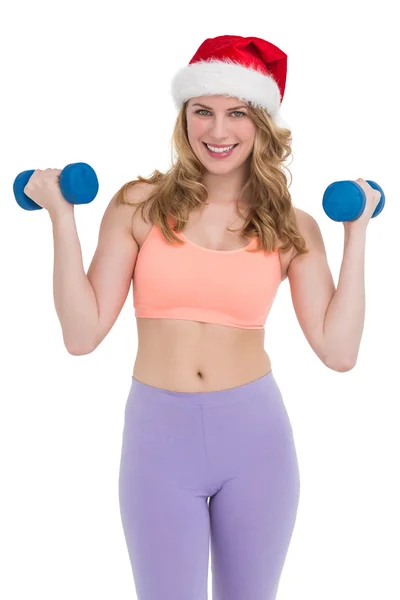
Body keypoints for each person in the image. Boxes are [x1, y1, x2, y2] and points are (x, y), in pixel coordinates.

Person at [24, 35, 380, 600]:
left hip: (256, 441)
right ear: (183, 117)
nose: (218, 131)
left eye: (237, 113)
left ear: (262, 122)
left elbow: (339, 353)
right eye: (202, 111)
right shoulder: (139, 205)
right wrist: (61, 219)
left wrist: (356, 234)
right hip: (158, 441)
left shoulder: (292, 227)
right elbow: (81, 334)